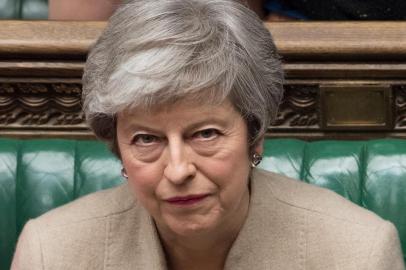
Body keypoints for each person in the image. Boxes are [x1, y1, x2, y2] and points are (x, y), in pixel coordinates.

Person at [11, 0, 405, 269]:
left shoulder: (357, 253)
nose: (178, 170)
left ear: (255, 136)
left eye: (205, 134)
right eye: (147, 140)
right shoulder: (53, 251)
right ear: (119, 151)